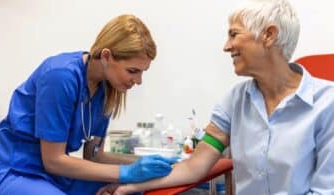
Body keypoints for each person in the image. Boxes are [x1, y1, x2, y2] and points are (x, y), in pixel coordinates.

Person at [97, 0, 334, 194]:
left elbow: (326, 190)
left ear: (269, 35)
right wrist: (129, 187)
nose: (226, 46)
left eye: (234, 34)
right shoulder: (235, 101)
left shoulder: (327, 104)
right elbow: (193, 167)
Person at [0, 14, 178, 195]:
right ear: (107, 56)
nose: (138, 80)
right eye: (133, 71)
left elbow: (94, 156)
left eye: (142, 72)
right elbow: (53, 160)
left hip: (57, 175)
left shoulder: (106, 89)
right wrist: (126, 172)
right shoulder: (60, 76)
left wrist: (145, 165)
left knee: (133, 191)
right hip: (17, 170)